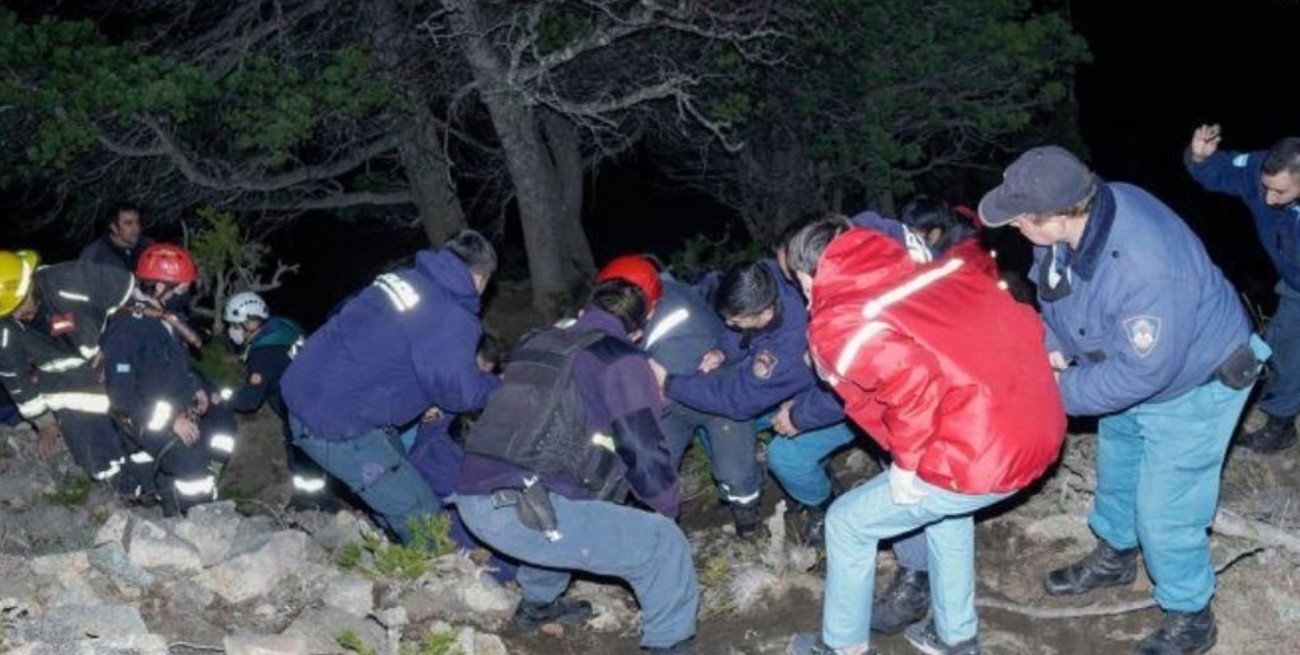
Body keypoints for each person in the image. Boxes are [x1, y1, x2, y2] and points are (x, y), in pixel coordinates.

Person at [981, 145, 1267, 654]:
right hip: (1122, 364)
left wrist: (1050, 392)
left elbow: (1145, 371)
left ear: (1059, 214)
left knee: (1165, 510)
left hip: (1196, 383)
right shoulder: (1072, 222)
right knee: (1119, 468)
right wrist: (1052, 349)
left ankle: (1190, 614)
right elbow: (1053, 296)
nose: (1015, 228)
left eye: (1022, 219)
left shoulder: (1144, 264)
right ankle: (1115, 555)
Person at [784, 215, 1066, 655]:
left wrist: (908, 465)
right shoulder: (941, 272)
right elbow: (1023, 319)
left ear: (805, 275)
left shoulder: (839, 322)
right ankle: (956, 637)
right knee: (944, 513)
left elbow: (910, 381)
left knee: (848, 523)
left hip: (980, 451)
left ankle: (842, 648)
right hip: (1039, 428)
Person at [455, 278, 696, 654]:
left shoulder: (537, 341)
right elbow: (643, 447)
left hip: (477, 494)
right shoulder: (621, 358)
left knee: (569, 511)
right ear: (636, 333)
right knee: (663, 545)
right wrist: (666, 509)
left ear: (583, 314)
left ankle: (537, 608)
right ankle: (670, 646)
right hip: (521, 508)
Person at [281, 230, 501, 544]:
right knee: (422, 513)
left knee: (405, 478)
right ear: (480, 279)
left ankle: (391, 549)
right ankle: (433, 581)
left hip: (307, 393)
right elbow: (460, 393)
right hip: (335, 423)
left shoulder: (400, 279)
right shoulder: (451, 316)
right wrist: (497, 387)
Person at [596, 254, 764, 538]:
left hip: (716, 396)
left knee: (734, 471)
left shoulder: (680, 318)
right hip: (671, 400)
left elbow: (654, 388)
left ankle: (748, 522)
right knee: (654, 469)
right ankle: (663, 532)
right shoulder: (643, 303)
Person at [1185, 126, 1300, 453]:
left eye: (1280, 192)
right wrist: (1199, 158)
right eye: (1266, 188)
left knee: (1291, 349)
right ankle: (1277, 389)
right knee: (1276, 344)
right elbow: (1216, 172)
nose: (1267, 199)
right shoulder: (1258, 168)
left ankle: (1281, 425)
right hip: (1293, 281)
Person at [0, 250, 150, 497]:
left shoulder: (66, 279)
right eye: (8, 313)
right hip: (68, 391)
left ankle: (153, 476)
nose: (17, 315)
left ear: (29, 286)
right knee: (88, 442)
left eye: (17, 305)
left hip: (116, 365)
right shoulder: (5, 332)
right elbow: (17, 383)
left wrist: (112, 345)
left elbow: (129, 297)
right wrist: (45, 424)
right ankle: (122, 490)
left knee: (144, 426)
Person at [102, 243, 236, 515]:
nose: (185, 294)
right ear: (160, 286)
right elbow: (122, 397)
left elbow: (178, 365)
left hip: (176, 405)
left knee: (223, 425)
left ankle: (178, 505)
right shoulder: (126, 329)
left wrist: (196, 389)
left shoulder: (165, 319)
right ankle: (197, 521)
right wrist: (173, 421)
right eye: (181, 288)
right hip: (144, 416)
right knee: (192, 464)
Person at [221, 291, 334, 509]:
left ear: (251, 323)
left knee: (303, 457)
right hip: (320, 394)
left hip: (301, 409)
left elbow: (250, 401)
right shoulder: (285, 327)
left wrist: (224, 399)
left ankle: (311, 504)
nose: (231, 331)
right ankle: (321, 499)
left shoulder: (263, 353)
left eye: (235, 325)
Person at [80, 202, 154, 272]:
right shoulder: (96, 254)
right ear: (114, 227)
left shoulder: (148, 247)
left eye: (137, 222)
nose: (136, 228)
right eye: (128, 223)